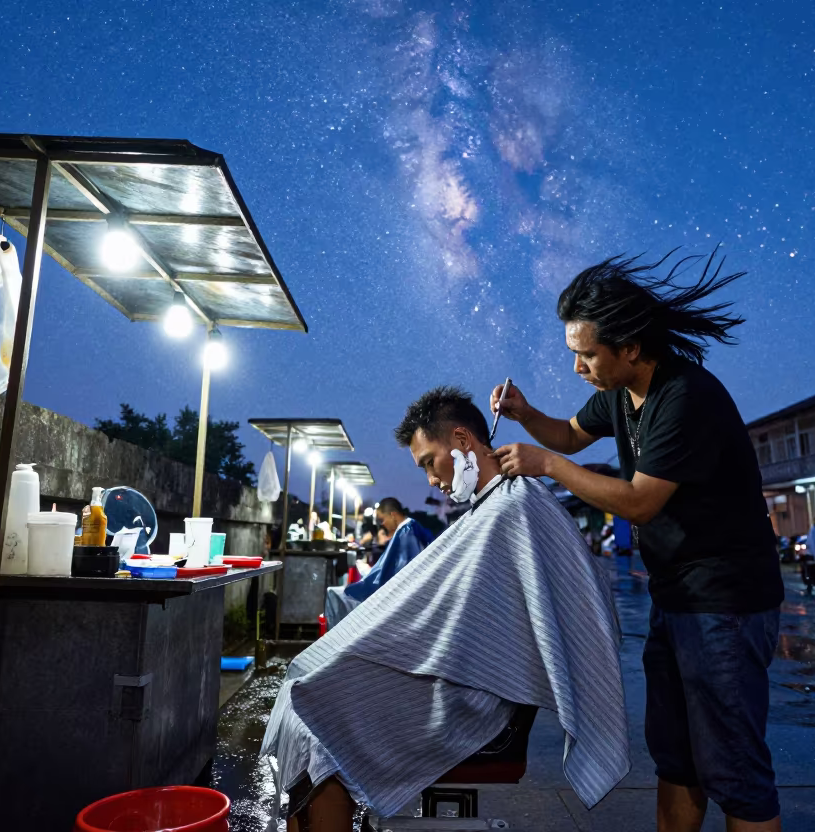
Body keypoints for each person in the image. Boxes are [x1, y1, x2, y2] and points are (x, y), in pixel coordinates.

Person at [489, 250, 784, 831]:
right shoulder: (622, 394)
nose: (578, 367)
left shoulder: (685, 397)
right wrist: (525, 415)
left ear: (629, 347)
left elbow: (639, 501)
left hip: (726, 601)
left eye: (587, 354)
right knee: (676, 761)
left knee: (735, 772)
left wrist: (542, 462)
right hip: (675, 598)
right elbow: (571, 436)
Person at [262, 386, 629, 832]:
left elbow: (471, 624)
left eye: (428, 463)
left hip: (476, 698)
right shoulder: (492, 507)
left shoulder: (515, 507)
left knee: (321, 728)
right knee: (306, 693)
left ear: (461, 441)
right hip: (460, 677)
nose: (431, 480)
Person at [324, 497, 435, 627]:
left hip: (394, 595)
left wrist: (368, 573)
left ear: (393, 515)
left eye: (382, 519)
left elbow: (398, 572)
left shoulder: (406, 532)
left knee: (334, 595)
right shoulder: (412, 527)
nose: (382, 524)